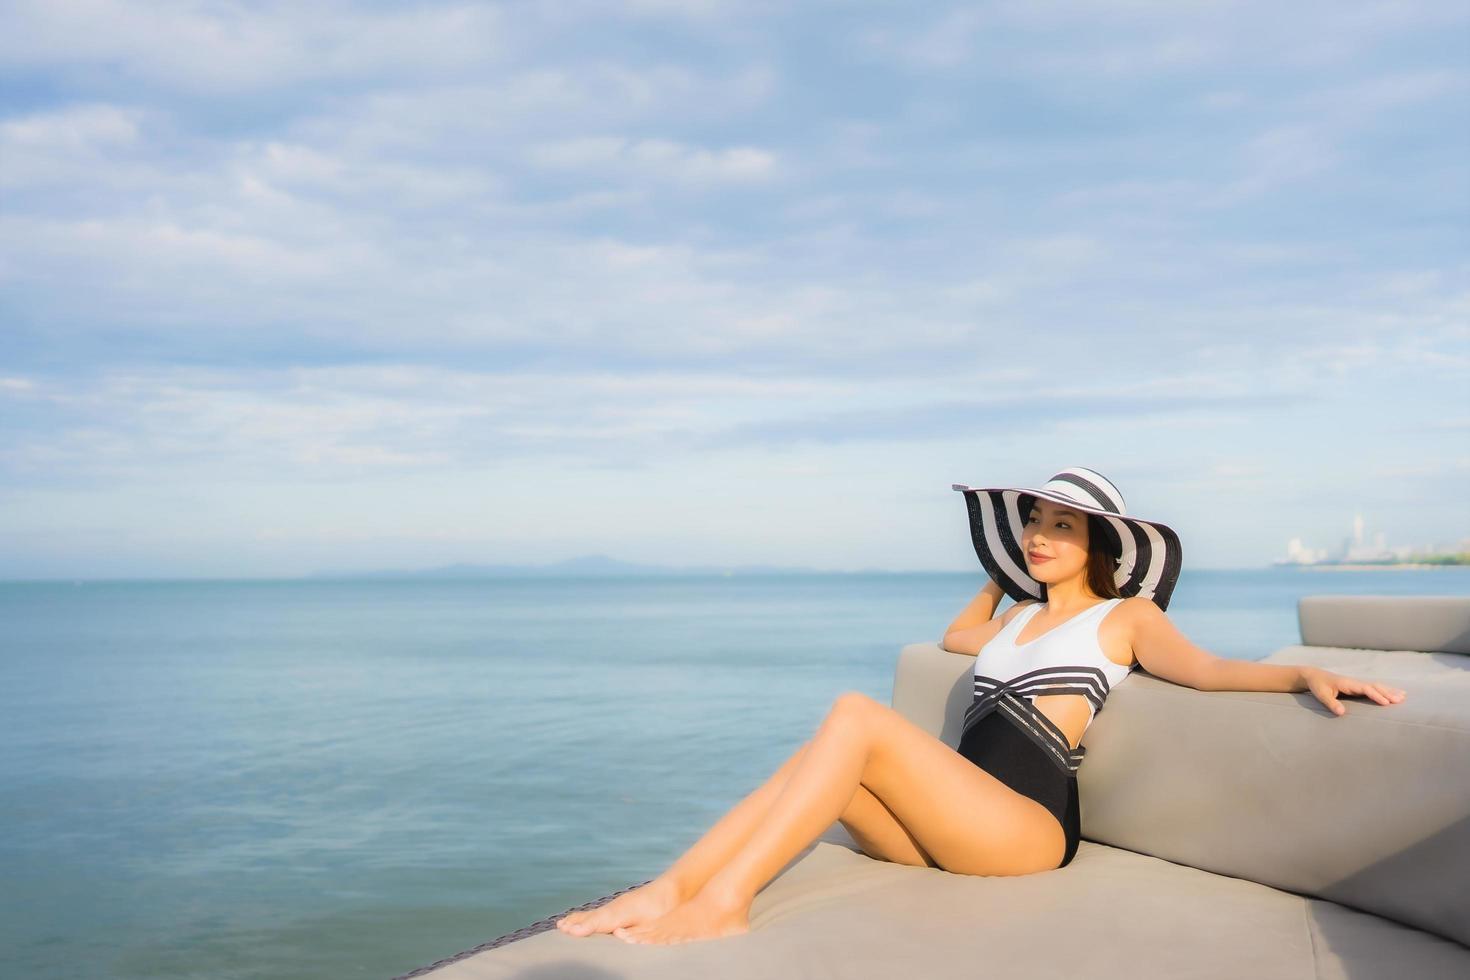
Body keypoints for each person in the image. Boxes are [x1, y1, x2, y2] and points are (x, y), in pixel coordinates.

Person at [555, 467, 1408, 946]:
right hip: (956, 835)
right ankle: (668, 890)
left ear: (1099, 545)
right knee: (813, 773)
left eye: (1058, 528)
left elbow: (1209, 672)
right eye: (1031, 522)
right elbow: (959, 633)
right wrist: (1008, 572)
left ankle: (726, 903)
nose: (1039, 536)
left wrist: (1303, 676)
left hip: (1029, 833)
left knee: (854, 716)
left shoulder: (1127, 618)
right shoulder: (1020, 617)